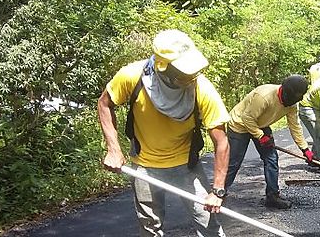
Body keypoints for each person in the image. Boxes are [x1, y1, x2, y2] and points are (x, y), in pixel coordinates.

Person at [98, 30, 231, 237]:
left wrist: (217, 190)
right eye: (184, 74)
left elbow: (221, 142)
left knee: (209, 227)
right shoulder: (132, 77)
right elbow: (104, 103)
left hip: (187, 166)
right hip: (144, 166)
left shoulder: (202, 89)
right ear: (163, 68)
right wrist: (114, 149)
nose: (191, 78)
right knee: (150, 229)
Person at [224, 75, 311, 209]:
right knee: (234, 162)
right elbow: (247, 118)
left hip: (261, 123)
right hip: (239, 124)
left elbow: (295, 126)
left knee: (271, 159)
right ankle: (219, 192)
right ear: (286, 93)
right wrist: (260, 136)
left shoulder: (292, 103)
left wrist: (305, 149)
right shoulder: (264, 96)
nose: (294, 102)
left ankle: (272, 196)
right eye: (293, 98)